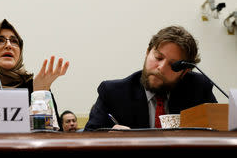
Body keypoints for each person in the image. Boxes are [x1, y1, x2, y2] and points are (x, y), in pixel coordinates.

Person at [84, 25, 217, 131]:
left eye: (172, 65)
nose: (161, 67)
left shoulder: (199, 88)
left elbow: (219, 131)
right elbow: (89, 138)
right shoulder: (113, 93)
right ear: (148, 52)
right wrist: (108, 139)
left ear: (185, 71)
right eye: (158, 58)